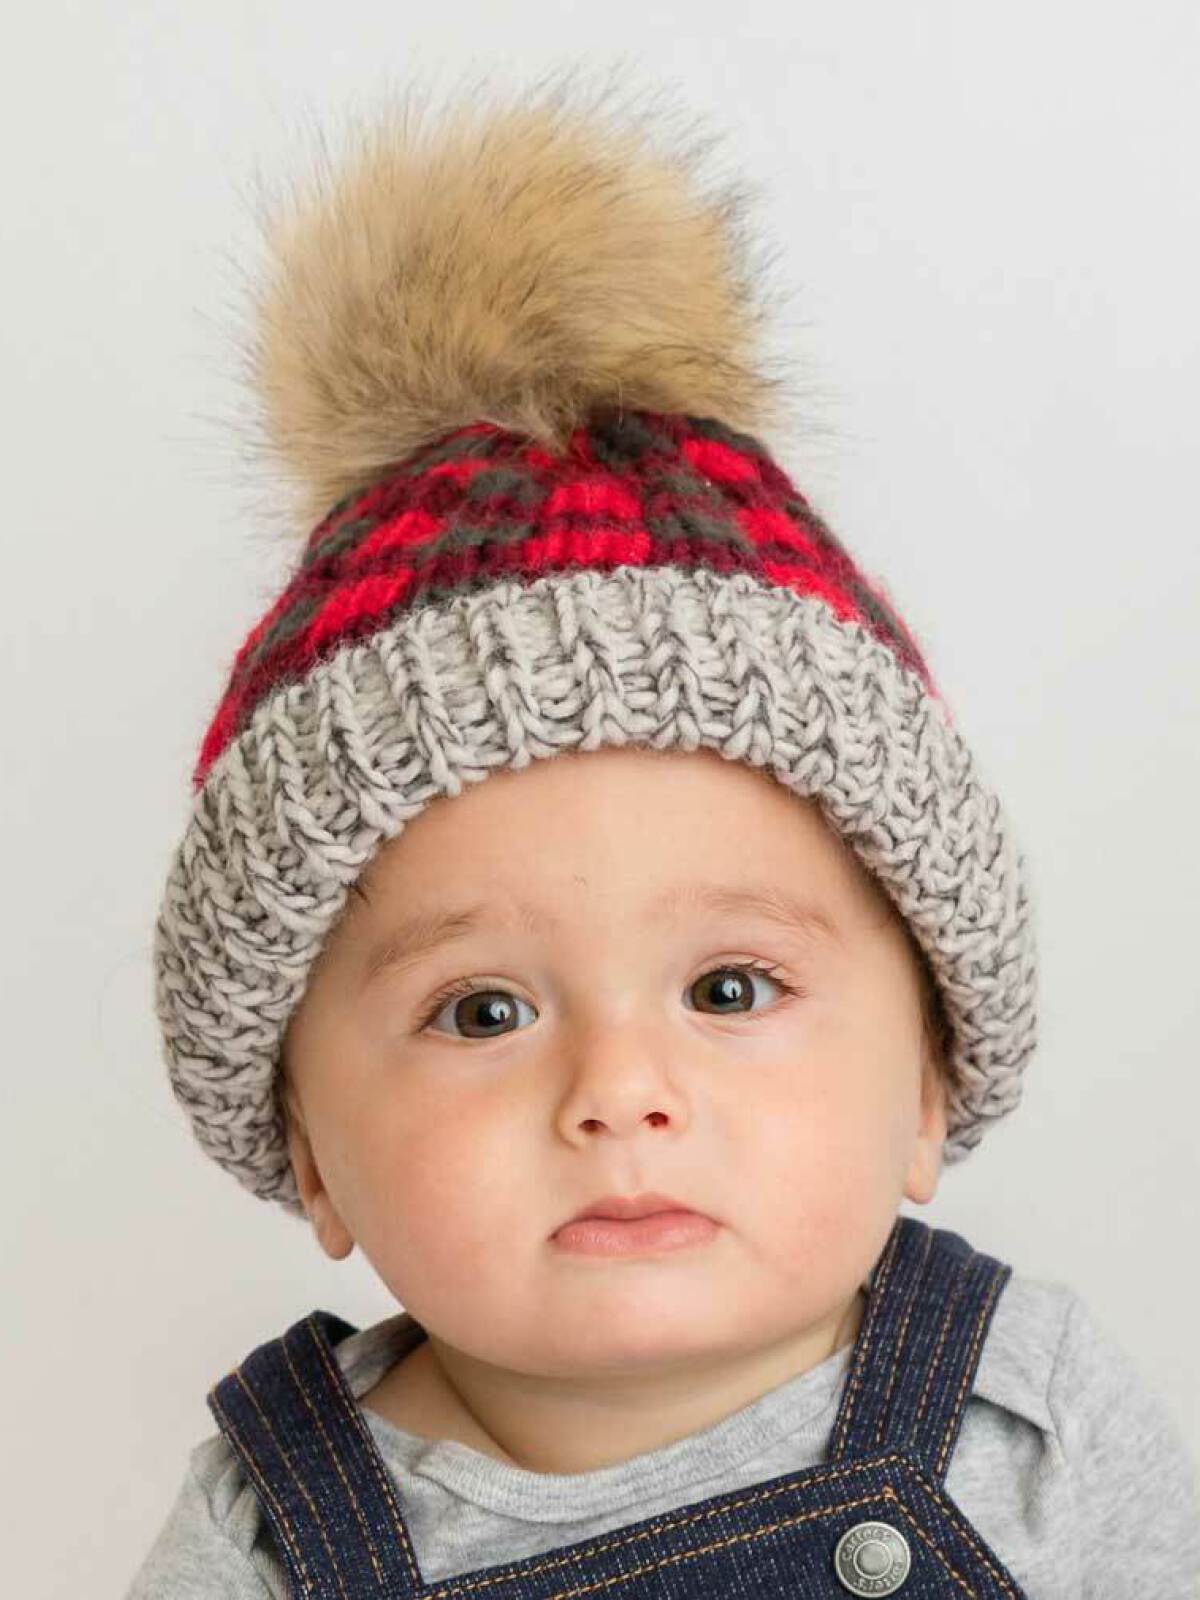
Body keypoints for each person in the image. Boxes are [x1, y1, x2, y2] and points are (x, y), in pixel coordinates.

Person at [127, 68, 1200, 1599]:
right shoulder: (270, 1542)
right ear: (311, 1154)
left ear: (928, 1085)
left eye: (730, 989)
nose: (619, 1094)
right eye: (482, 1010)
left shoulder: (1029, 1424)